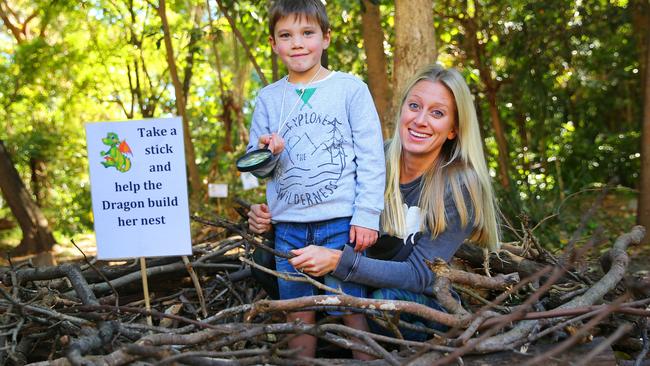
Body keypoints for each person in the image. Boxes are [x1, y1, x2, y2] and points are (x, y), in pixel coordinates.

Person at [248, 64, 500, 341]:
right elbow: (318, 213)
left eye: (437, 113)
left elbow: (420, 275)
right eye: (414, 106)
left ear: (453, 128)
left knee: (384, 303)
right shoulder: (370, 160)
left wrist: (339, 262)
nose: (420, 120)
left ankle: (354, 339)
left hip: (411, 300)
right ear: (402, 109)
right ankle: (325, 330)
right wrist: (270, 220)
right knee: (267, 259)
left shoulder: (461, 186)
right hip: (351, 283)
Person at [245, 0, 385, 358]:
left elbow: (371, 158)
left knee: (351, 307)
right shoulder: (268, 99)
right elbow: (256, 166)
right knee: (298, 312)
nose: (297, 43)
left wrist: (367, 215)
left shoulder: (349, 90)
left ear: (326, 38)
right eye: (286, 35)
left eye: (307, 33)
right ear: (273, 44)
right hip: (289, 226)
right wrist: (268, 153)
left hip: (341, 224)